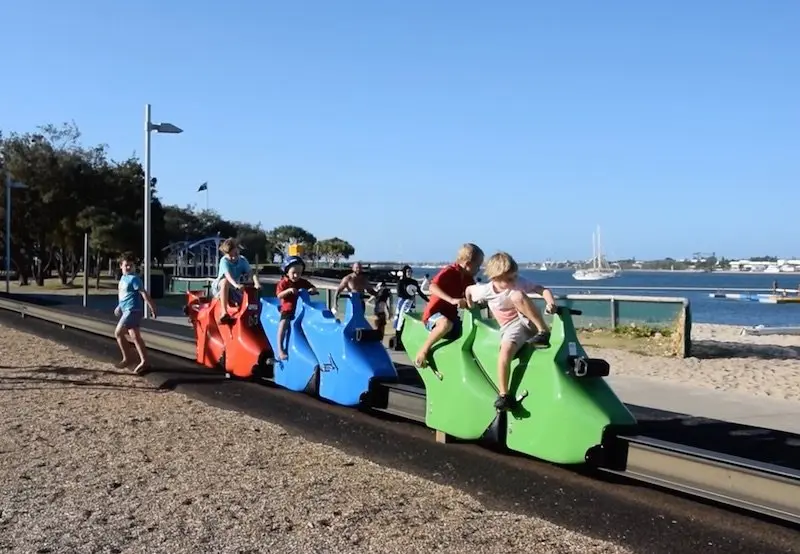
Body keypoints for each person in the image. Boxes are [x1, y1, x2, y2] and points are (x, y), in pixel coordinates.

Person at [465, 251, 556, 411]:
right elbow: (469, 290)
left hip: (527, 321)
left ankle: (543, 331)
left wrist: (550, 302)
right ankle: (504, 395)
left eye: (514, 277)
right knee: (505, 351)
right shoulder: (486, 290)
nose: (513, 281)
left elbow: (542, 289)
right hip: (511, 328)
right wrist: (470, 305)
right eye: (508, 279)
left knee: (517, 296)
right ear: (495, 278)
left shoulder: (517, 284)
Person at [414, 243, 484, 368]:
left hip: (452, 317)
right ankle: (423, 351)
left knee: (469, 332)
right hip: (434, 315)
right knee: (445, 324)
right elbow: (432, 286)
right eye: (478, 266)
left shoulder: (468, 279)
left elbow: (473, 296)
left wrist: (481, 303)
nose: (479, 270)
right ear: (468, 264)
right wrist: (452, 300)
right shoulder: (449, 271)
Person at [114, 252, 158, 375]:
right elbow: (125, 296)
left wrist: (152, 307)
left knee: (118, 333)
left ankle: (127, 358)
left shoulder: (134, 278)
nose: (129, 267)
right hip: (126, 310)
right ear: (121, 266)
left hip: (132, 310)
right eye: (126, 265)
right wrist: (118, 307)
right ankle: (145, 361)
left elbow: (143, 293)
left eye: (131, 265)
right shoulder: (123, 279)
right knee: (135, 337)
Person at [275, 256, 317, 360]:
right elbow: (279, 295)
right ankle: (280, 348)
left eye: (299, 273)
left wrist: (312, 290)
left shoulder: (302, 282)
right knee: (284, 324)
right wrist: (288, 291)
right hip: (288, 310)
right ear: (287, 271)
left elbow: (313, 287)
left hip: (303, 310)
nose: (296, 275)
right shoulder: (283, 282)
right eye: (293, 272)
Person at [212, 238, 260, 324]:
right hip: (220, 287)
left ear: (237, 250)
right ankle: (224, 312)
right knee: (225, 281)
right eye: (230, 255)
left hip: (234, 288)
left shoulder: (242, 260)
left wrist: (256, 283)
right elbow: (228, 276)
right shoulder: (224, 261)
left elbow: (251, 273)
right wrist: (236, 285)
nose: (233, 257)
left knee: (249, 289)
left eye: (235, 254)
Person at [393, 265, 429, 334]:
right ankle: (398, 336)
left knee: (409, 319)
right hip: (402, 303)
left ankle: (407, 334)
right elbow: (399, 294)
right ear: (404, 272)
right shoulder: (401, 282)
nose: (410, 273)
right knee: (400, 320)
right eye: (408, 271)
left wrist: (428, 300)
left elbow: (420, 292)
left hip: (411, 304)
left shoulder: (414, 282)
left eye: (411, 271)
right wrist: (408, 297)